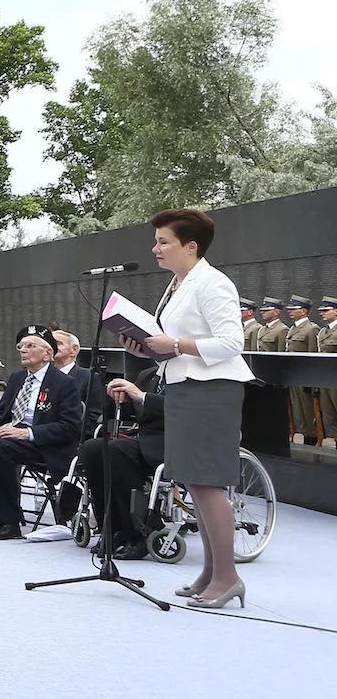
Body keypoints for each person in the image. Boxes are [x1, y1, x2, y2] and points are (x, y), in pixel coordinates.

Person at [125, 208, 255, 608]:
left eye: (164, 241)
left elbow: (233, 342)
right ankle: (211, 572)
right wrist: (149, 349)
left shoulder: (212, 283)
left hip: (212, 389)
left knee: (206, 481)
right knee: (194, 482)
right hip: (186, 386)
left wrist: (175, 346)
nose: (156, 248)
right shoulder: (179, 285)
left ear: (191, 246)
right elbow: (175, 345)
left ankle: (228, 576)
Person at [0, 325, 83, 541]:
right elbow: (1, 412)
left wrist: (27, 433)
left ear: (48, 354)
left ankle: (7, 521)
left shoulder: (65, 384)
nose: (23, 350)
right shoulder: (18, 378)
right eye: (21, 346)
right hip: (11, 436)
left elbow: (69, 427)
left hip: (43, 444)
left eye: (30, 346)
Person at [77, 371, 166, 561]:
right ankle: (111, 529)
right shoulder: (149, 375)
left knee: (117, 450)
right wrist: (113, 395)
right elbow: (125, 411)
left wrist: (141, 396)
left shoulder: (189, 376)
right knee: (91, 449)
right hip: (144, 440)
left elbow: (183, 410)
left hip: (176, 441)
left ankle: (140, 531)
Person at [282, 295, 320, 446]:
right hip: (294, 377)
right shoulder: (293, 329)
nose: (290, 312)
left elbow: (312, 355)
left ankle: (313, 440)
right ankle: (306, 437)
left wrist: (312, 380)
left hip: (305, 378)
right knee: (300, 412)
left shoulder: (311, 329)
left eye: (294, 309)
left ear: (304, 311)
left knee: (309, 411)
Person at [318, 297, 337, 448]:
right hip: (325, 379)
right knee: (330, 414)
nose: (322, 314)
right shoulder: (323, 332)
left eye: (326, 310)